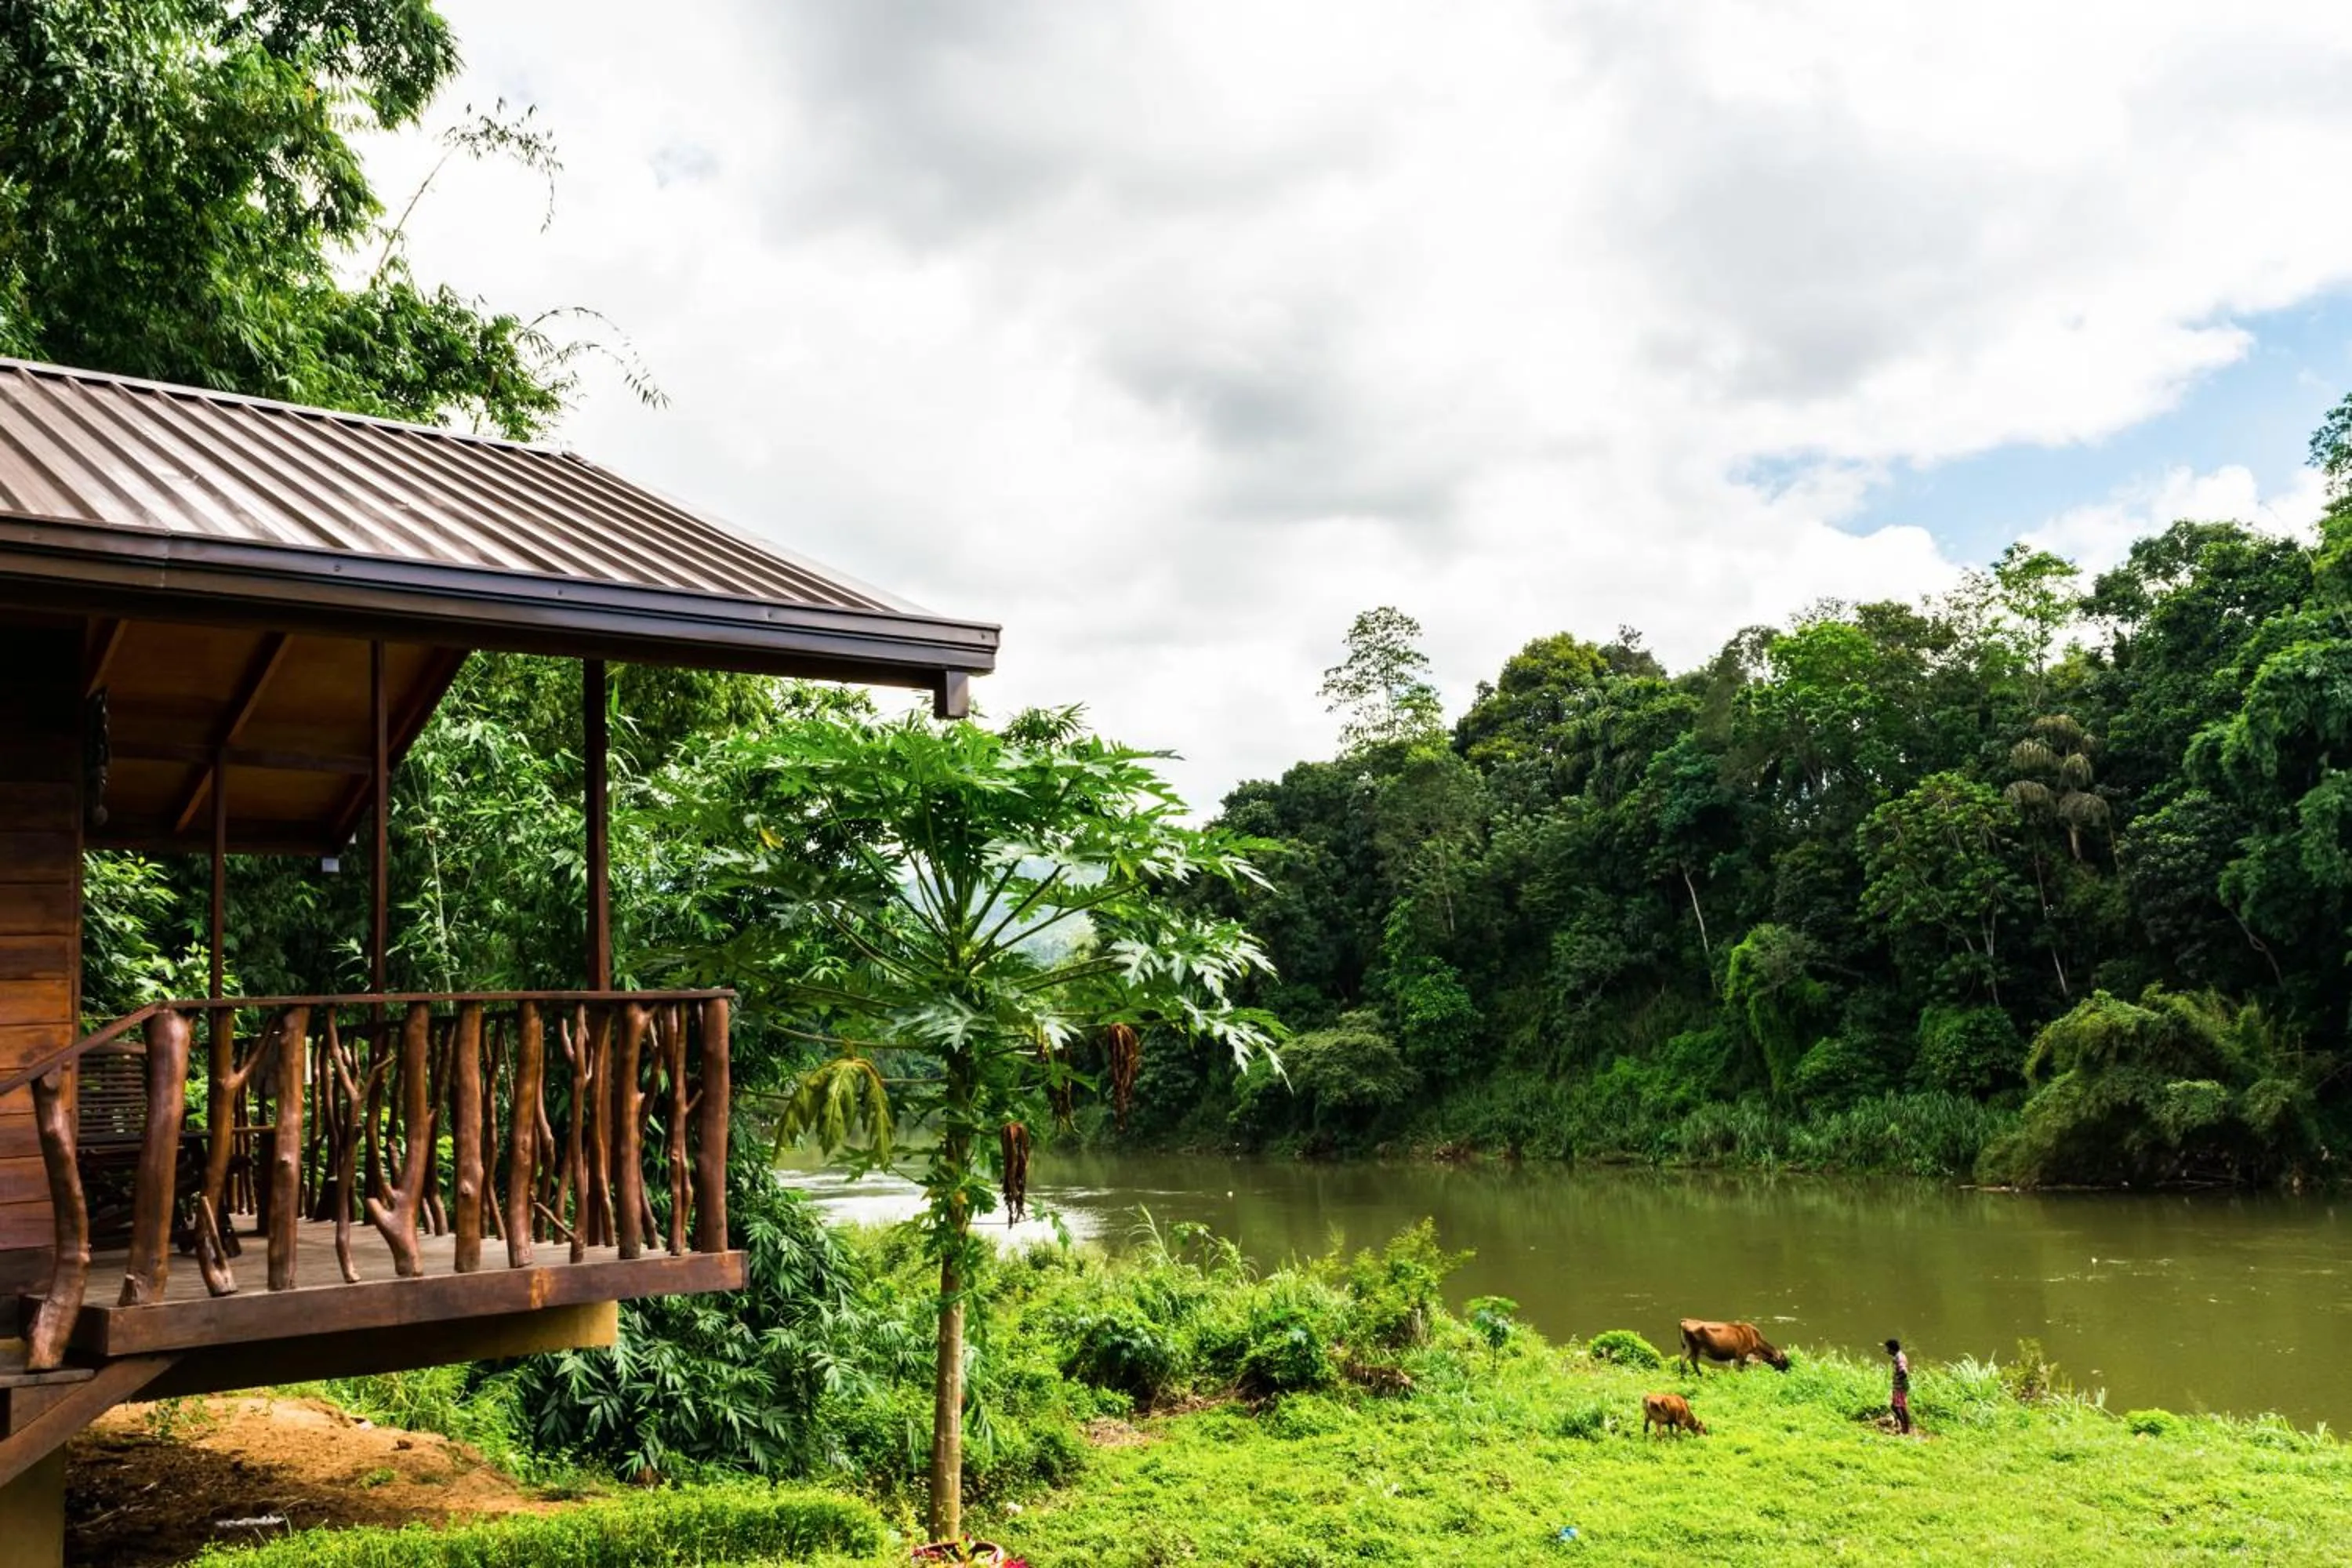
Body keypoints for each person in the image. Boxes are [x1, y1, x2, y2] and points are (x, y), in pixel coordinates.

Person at [1884, 1338, 1912, 1435]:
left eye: (1888, 1349)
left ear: (1892, 1349)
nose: (1887, 1351)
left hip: (1900, 1388)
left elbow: (1904, 1372)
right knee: (1895, 1406)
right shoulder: (1900, 1355)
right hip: (1898, 1387)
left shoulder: (1898, 1358)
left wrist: (1898, 1379)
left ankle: (1905, 1429)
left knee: (1900, 1407)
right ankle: (1903, 1426)